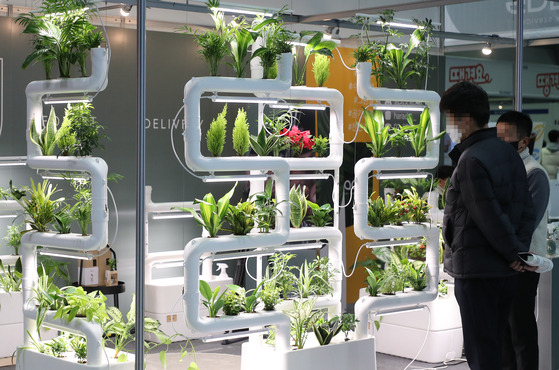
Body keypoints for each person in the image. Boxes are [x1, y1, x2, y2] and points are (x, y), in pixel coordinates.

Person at [439, 81, 536, 370]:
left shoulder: (471, 159)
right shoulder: (507, 152)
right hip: (504, 272)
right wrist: (518, 255)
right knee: (499, 350)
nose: (449, 126)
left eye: (450, 119)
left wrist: (512, 254)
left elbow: (488, 217)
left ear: (465, 120)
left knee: (482, 354)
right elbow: (526, 211)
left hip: (477, 270)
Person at [496, 111, 550, 370]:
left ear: (524, 141)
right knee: (504, 331)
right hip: (504, 262)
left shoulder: (534, 173)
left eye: (505, 137)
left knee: (521, 330)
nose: (499, 141)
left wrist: (514, 256)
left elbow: (526, 223)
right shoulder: (503, 170)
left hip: (524, 263)